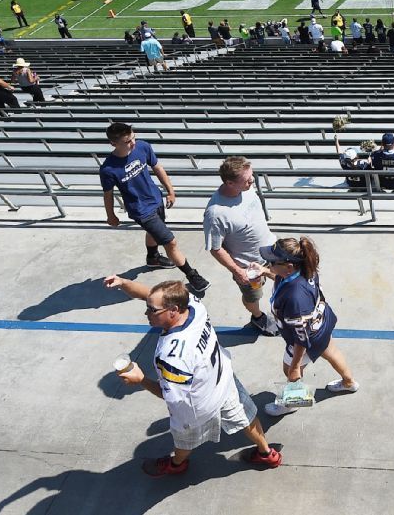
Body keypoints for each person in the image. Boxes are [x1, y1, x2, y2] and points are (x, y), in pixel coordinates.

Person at [102, 277, 281, 476]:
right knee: (246, 417)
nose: (146, 313)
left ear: (173, 310)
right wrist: (123, 283)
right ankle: (267, 453)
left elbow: (170, 395)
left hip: (200, 404)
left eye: (152, 310)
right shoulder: (194, 305)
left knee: (184, 438)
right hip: (223, 378)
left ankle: (176, 464)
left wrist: (140, 379)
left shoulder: (172, 355)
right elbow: (149, 293)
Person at [100, 122, 210, 295]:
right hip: (140, 210)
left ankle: (152, 257)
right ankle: (193, 276)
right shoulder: (108, 169)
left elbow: (157, 167)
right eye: (128, 141)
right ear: (114, 143)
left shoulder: (143, 147)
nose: (133, 143)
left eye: (133, 137)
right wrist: (110, 215)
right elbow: (108, 194)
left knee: (154, 232)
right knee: (170, 242)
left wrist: (170, 191)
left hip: (156, 199)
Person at [259, 236, 359, 417]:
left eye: (271, 262)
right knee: (332, 353)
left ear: (289, 266)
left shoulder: (294, 299)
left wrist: (295, 366)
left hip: (306, 337)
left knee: (288, 369)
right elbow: (284, 278)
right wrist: (265, 272)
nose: (268, 264)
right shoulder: (306, 269)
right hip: (320, 326)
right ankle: (349, 382)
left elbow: (301, 338)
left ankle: (293, 403)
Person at [202, 156, 279, 335]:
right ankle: (258, 317)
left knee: (286, 279)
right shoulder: (216, 214)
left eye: (252, 175)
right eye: (247, 179)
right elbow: (216, 248)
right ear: (229, 182)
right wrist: (238, 272)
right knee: (253, 296)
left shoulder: (247, 188)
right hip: (248, 266)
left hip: (271, 251)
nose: (252, 181)